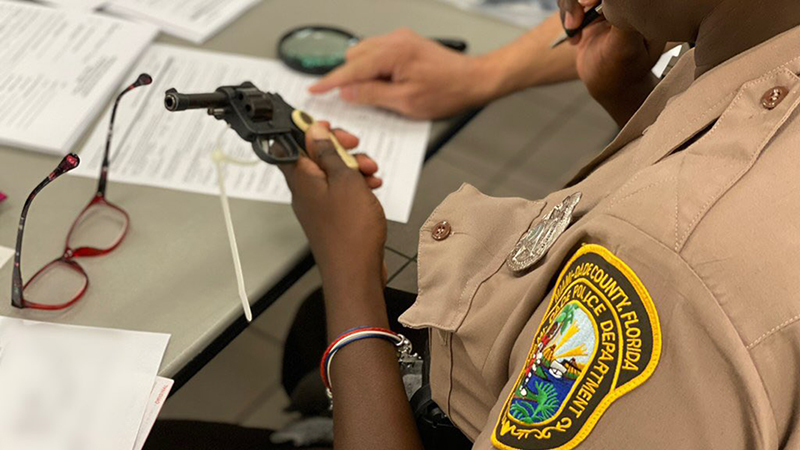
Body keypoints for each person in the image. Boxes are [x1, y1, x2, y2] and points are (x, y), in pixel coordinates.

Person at [146, 0, 800, 447]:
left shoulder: (663, 270)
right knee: (311, 329)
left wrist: (351, 271)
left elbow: (672, 255)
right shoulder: (754, 35)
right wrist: (635, 102)